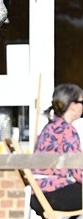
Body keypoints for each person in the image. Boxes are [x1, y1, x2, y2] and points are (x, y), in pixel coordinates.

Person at [33, 82, 83, 211]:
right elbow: (78, 172)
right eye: (81, 102)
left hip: (38, 195)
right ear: (72, 105)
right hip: (54, 193)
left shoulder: (49, 127)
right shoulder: (67, 130)